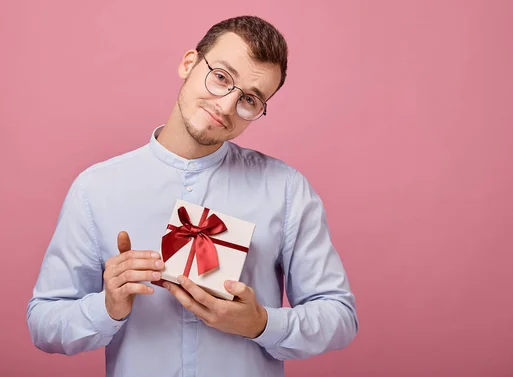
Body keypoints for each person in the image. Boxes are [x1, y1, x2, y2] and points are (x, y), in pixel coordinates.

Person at [26, 15, 358, 377]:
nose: (227, 106)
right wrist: (107, 307)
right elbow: (44, 323)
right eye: (221, 77)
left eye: (249, 99)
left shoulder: (287, 190)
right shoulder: (95, 188)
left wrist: (261, 323)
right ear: (189, 63)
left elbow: (339, 315)